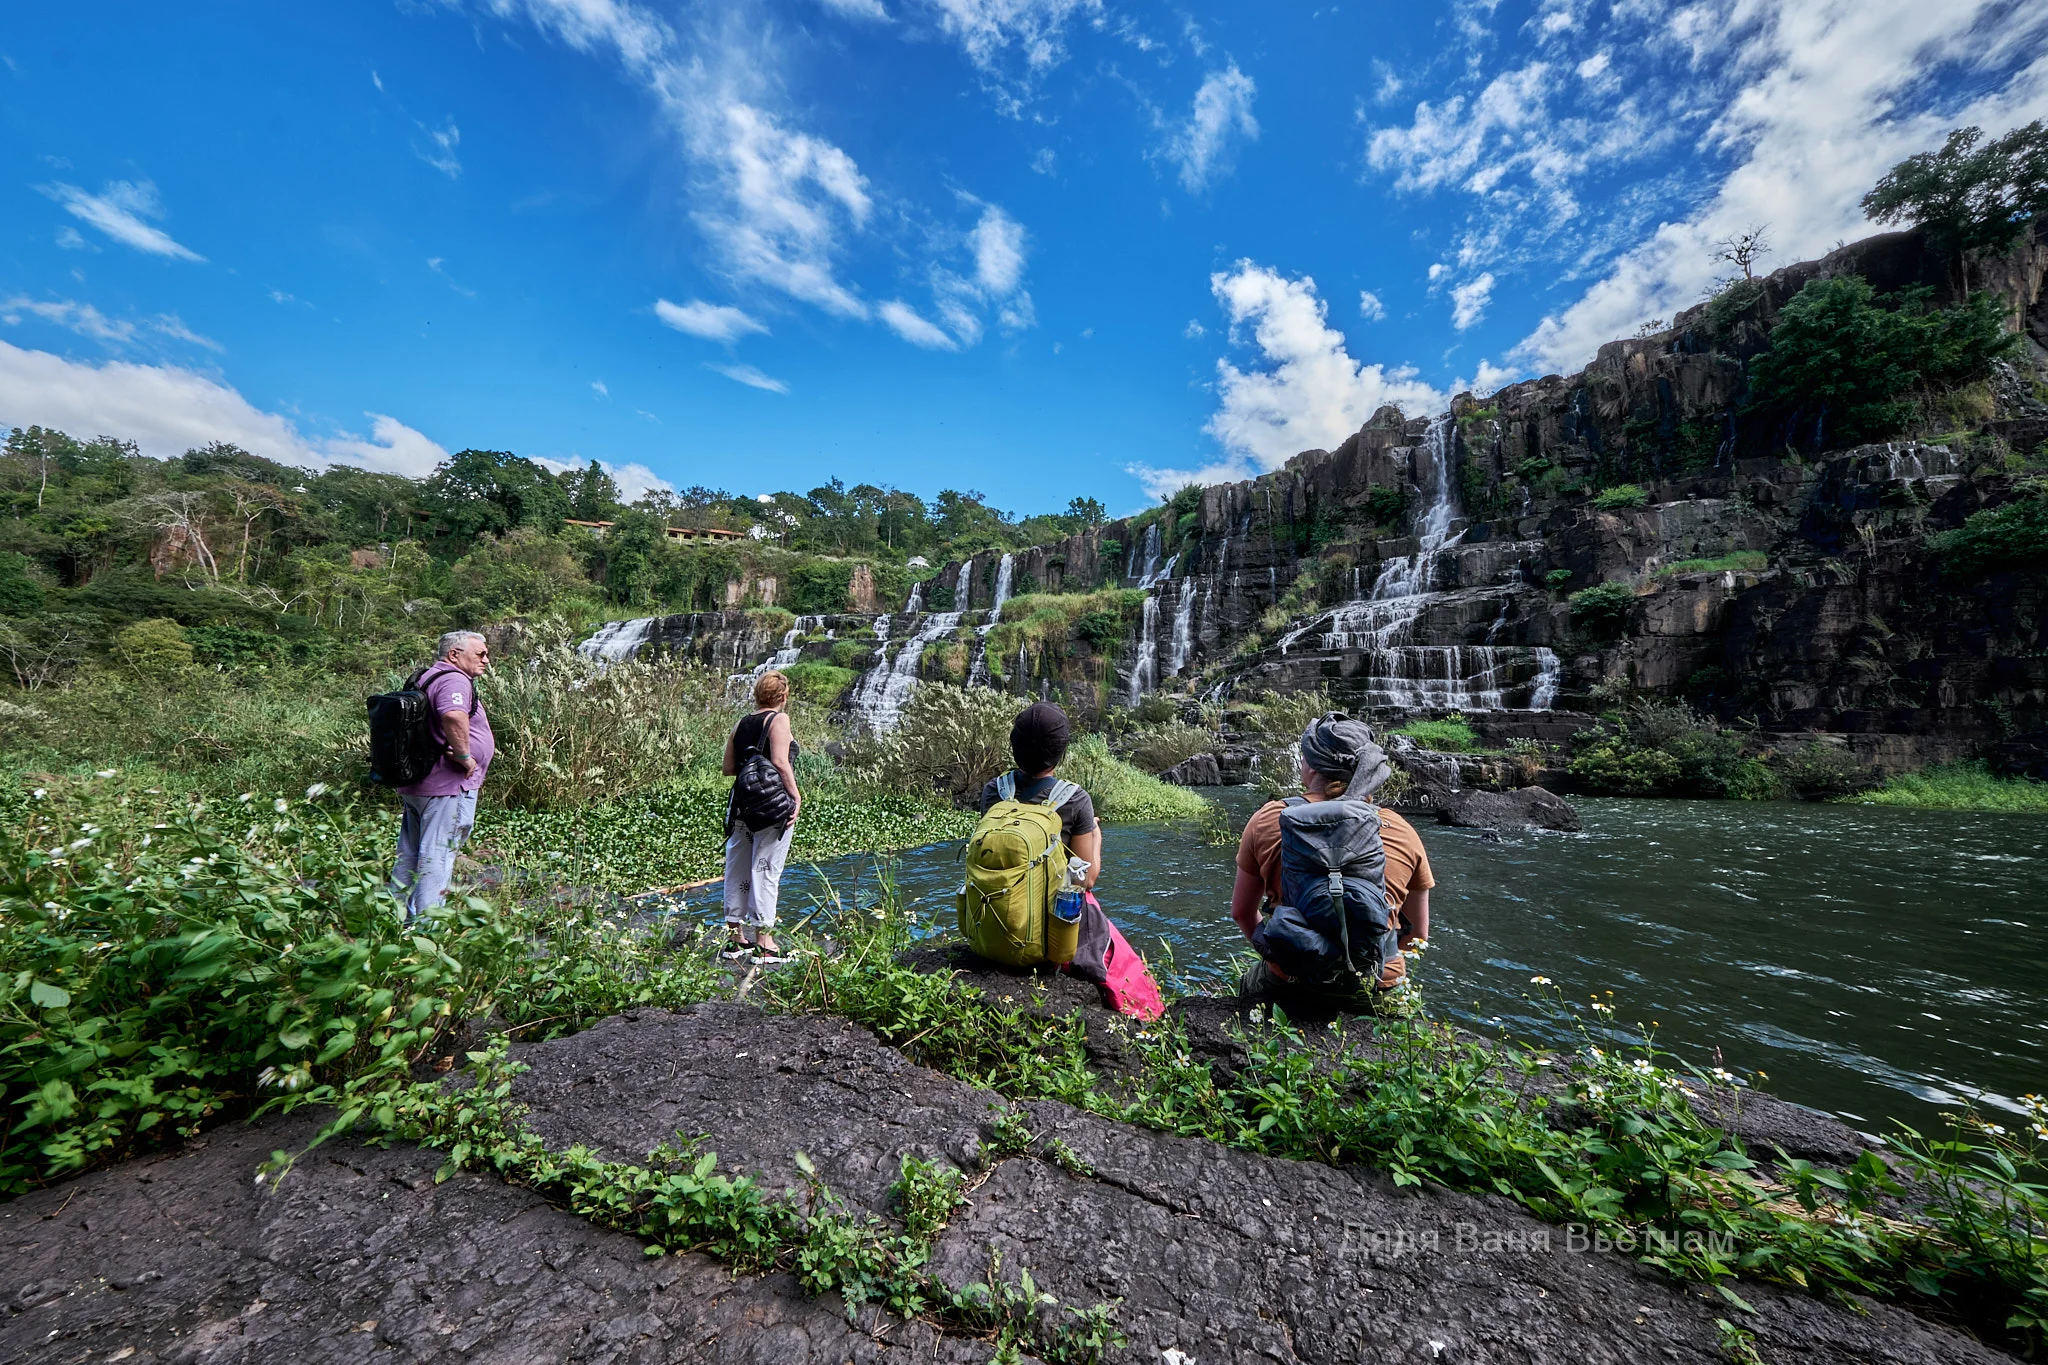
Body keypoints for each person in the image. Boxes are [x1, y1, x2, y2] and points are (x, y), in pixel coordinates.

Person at [1229, 713, 1433, 1018]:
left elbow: (1242, 913)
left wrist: (1280, 959)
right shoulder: (1402, 830)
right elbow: (1417, 936)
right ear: (1370, 772)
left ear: (1311, 767)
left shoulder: (1269, 818)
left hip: (1291, 982)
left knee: (1249, 984)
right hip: (1376, 989)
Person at [391, 630, 494, 919]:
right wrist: (466, 758)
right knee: (437, 854)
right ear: (454, 655)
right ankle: (428, 928)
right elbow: (452, 715)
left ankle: (394, 918)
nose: (486, 659)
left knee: (410, 854)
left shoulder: (428, 676)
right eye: (480, 653)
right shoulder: (454, 679)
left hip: (421, 784)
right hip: (446, 786)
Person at [975, 701, 1101, 889]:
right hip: (1043, 914)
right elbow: (1085, 881)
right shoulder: (1076, 799)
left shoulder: (993, 790)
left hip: (994, 909)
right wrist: (1095, 835)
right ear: (1061, 750)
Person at [722, 670, 801, 964]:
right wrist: (796, 797)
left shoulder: (742, 722)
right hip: (771, 806)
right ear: (783, 695)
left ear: (758, 694)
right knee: (766, 867)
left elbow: (728, 767)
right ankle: (765, 944)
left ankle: (734, 939)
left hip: (742, 803)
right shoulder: (779, 719)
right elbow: (781, 762)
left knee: (738, 866)